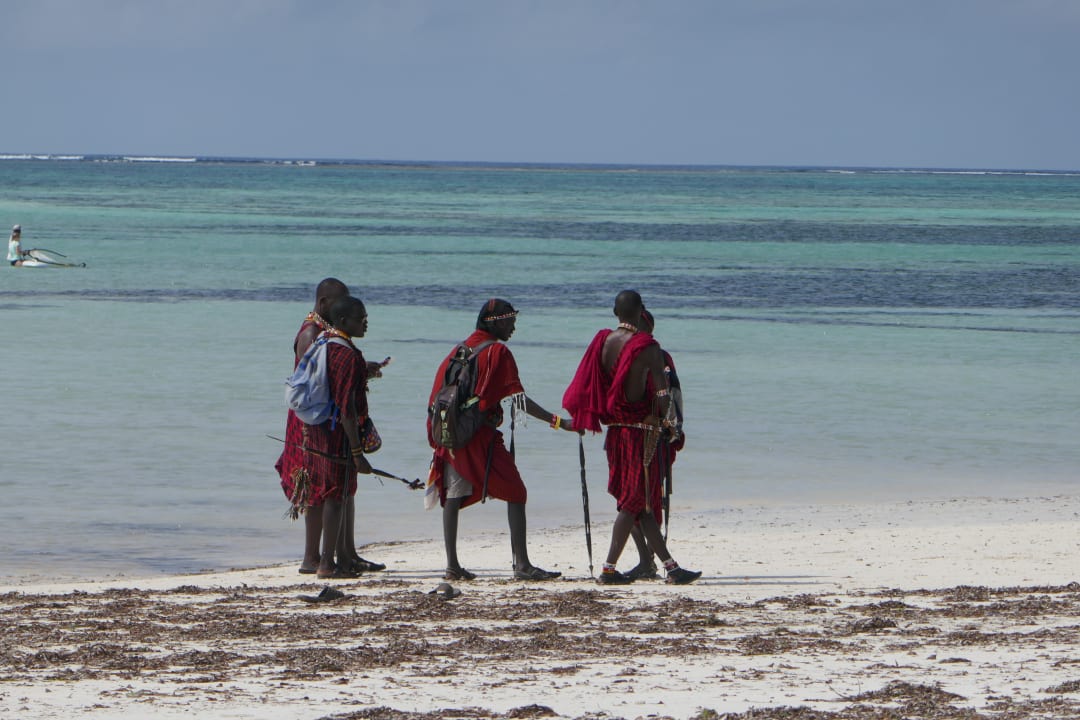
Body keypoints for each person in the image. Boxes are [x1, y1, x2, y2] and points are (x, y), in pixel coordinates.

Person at [426, 298, 578, 581]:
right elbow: (518, 399)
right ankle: (521, 564)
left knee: (453, 497)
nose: (514, 327)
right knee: (516, 492)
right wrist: (560, 422)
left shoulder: (460, 348)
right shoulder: (498, 352)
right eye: (510, 321)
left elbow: (437, 392)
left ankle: (452, 566)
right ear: (495, 322)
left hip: (449, 434)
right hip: (479, 436)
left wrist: (438, 436)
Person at [563, 290, 700, 585]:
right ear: (640, 312)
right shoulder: (648, 346)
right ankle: (608, 569)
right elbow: (663, 395)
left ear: (615, 311)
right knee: (632, 503)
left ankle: (671, 568)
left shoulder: (602, 342)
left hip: (614, 434)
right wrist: (670, 425)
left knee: (640, 504)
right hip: (640, 434)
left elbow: (591, 386)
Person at [275, 279, 384, 575]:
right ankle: (317, 558)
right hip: (317, 424)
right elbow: (324, 385)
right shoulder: (312, 333)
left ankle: (345, 553)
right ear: (324, 304)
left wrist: (361, 371)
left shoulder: (330, 336)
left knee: (342, 488)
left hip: (329, 420)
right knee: (320, 488)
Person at [302, 295, 377, 579]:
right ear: (343, 321)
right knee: (337, 496)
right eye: (362, 319)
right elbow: (347, 409)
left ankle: (337, 559)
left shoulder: (325, 343)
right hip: (338, 435)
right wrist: (357, 453)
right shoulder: (347, 354)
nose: (366, 323)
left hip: (319, 430)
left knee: (330, 494)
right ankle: (326, 564)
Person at [625, 308, 685, 580]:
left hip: (653, 437)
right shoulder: (626, 353)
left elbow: (671, 397)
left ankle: (648, 560)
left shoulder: (659, 356)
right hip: (630, 437)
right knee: (634, 500)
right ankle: (646, 559)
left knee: (645, 501)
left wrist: (671, 430)